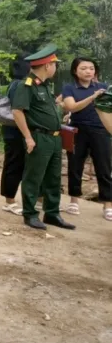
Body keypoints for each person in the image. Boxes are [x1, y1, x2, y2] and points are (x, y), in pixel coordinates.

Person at [11, 44, 75, 230]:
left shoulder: (45, 87)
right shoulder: (27, 85)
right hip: (39, 138)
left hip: (55, 138)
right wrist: (28, 138)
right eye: (55, 64)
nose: (56, 67)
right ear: (47, 65)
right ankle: (30, 214)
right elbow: (17, 111)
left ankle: (52, 213)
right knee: (34, 177)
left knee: (54, 177)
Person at [61, 56, 112, 220]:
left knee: (104, 168)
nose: (88, 71)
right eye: (83, 68)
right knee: (75, 167)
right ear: (75, 71)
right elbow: (71, 107)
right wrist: (93, 97)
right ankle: (74, 201)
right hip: (78, 131)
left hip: (100, 131)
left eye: (91, 68)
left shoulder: (103, 87)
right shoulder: (69, 88)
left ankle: (108, 204)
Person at [0, 55, 31, 215]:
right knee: (14, 165)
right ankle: (9, 200)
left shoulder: (18, 83)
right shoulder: (20, 85)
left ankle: (37, 199)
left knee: (22, 165)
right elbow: (19, 110)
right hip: (16, 132)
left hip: (17, 131)